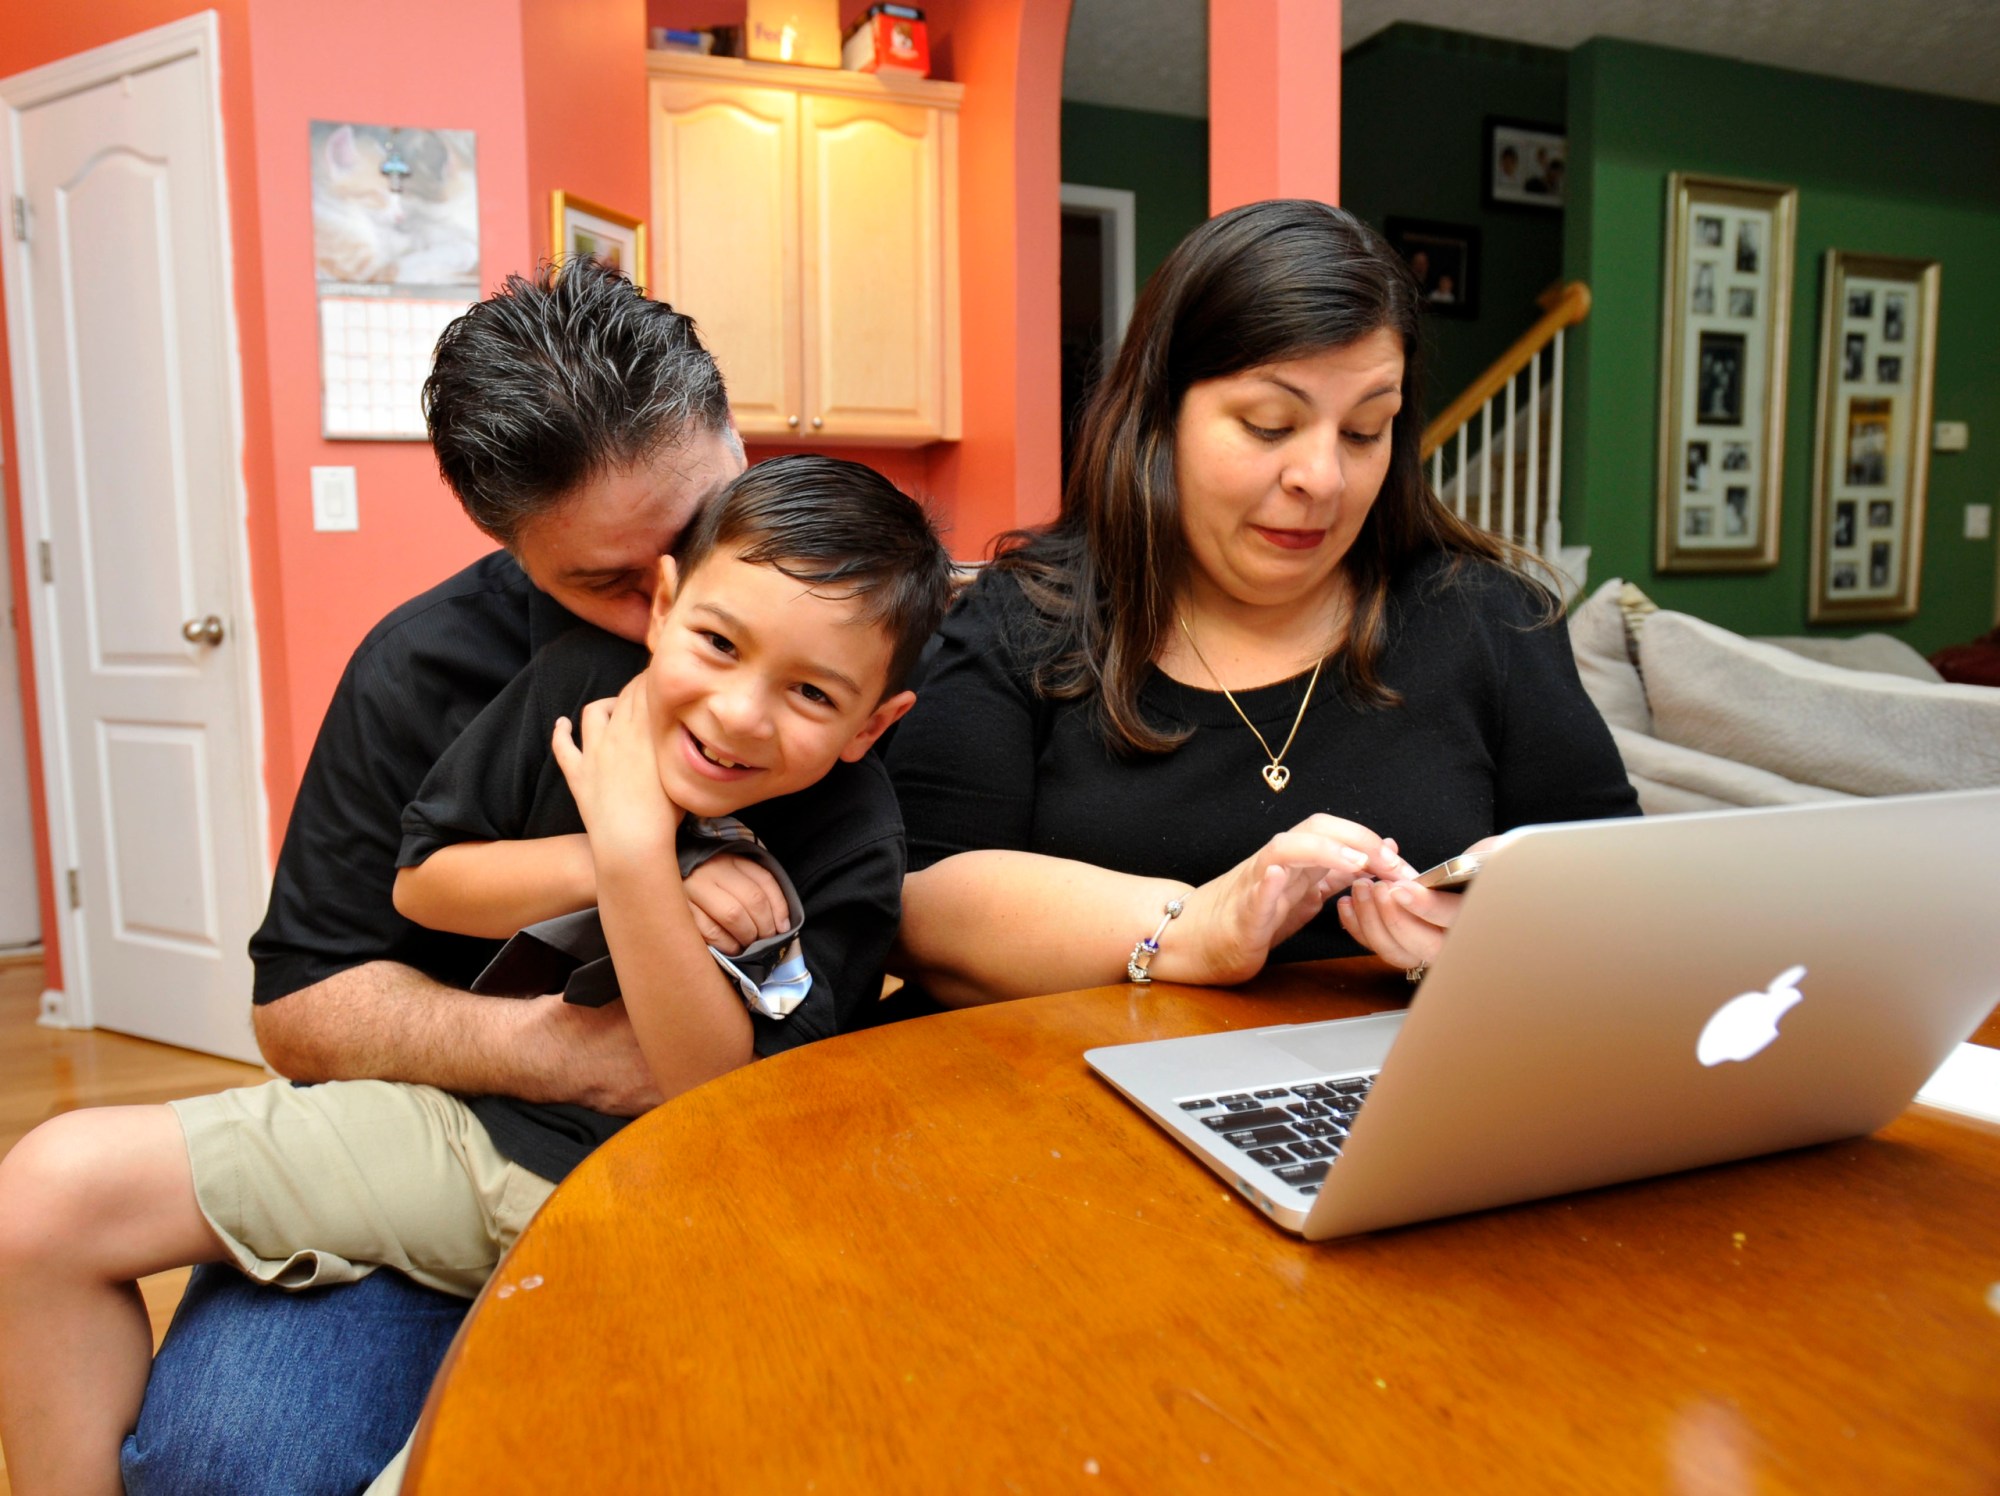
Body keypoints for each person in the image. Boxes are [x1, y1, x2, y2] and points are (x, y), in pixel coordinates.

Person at [0, 456, 957, 1494]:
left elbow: (705, 1094)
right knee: (45, 1192)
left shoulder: (859, 845)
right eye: (718, 643)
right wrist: (625, 852)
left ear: (874, 723)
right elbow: (424, 883)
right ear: (666, 601)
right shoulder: (569, 689)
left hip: (653, 1209)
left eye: (810, 691)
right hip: (464, 1127)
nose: (735, 712)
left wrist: (642, 856)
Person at [133, 257, 748, 1495]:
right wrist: (562, 1051)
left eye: (691, 538)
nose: (664, 612)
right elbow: (298, 1004)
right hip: (445, 1157)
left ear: (737, 431)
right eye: (604, 582)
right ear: (505, 544)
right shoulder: (417, 674)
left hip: (736, 1169)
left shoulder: (867, 611)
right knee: (228, 1465)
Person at [886, 200, 1638, 1007]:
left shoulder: (1491, 619)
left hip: (1398, 1110)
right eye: (1270, 424)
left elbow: (1628, 900)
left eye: (1364, 431)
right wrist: (1199, 928)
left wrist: (1511, 943)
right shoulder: (1023, 621)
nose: (1324, 478)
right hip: (1071, 1109)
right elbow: (918, 909)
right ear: (1160, 418)